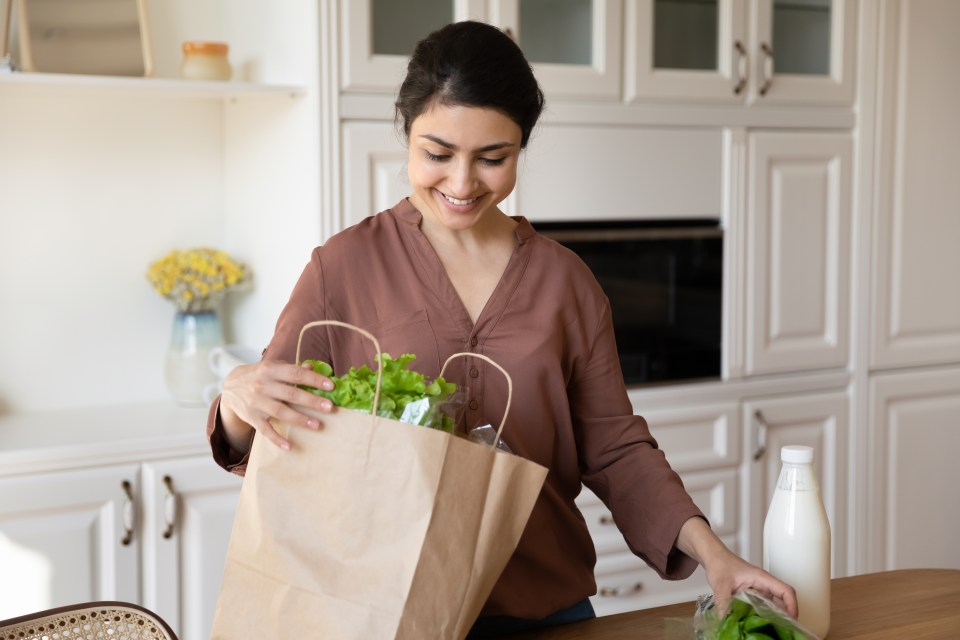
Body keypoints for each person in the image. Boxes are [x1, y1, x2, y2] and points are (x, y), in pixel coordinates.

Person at [206, 20, 798, 638]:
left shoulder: (565, 282)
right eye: (437, 154)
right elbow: (270, 427)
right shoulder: (344, 266)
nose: (462, 185)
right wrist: (236, 399)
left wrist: (715, 555)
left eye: (493, 159)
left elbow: (617, 448)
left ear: (521, 147)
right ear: (405, 134)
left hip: (544, 610)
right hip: (381, 612)